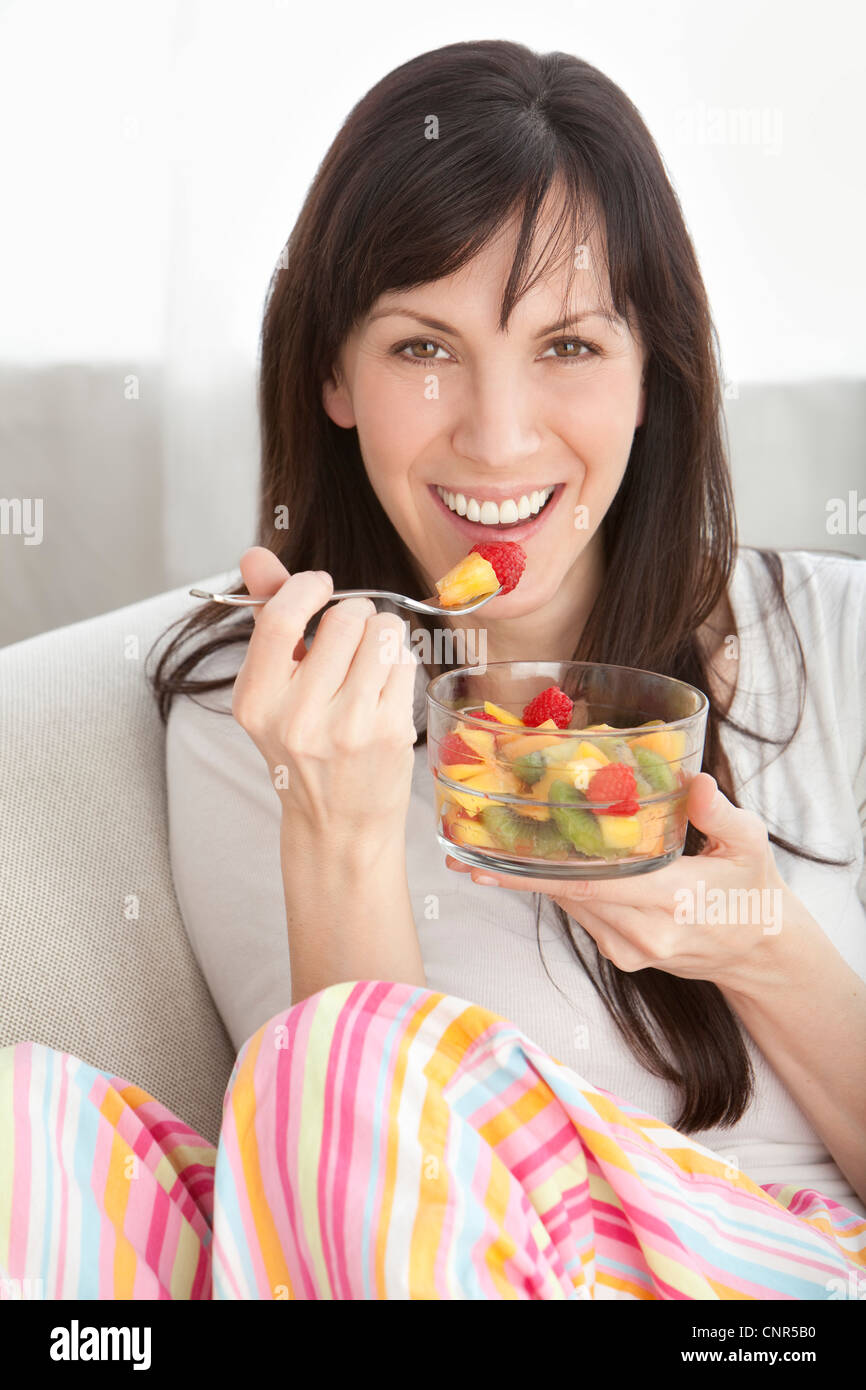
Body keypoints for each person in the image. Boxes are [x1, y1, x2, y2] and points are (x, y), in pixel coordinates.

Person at [2, 39, 864, 1300]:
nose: (497, 435)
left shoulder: (832, 634)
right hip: (453, 1256)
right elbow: (349, 1176)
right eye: (422, 348)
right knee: (32, 1127)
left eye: (567, 346)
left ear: (649, 375)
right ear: (332, 376)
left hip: (767, 1282)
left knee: (341, 1055)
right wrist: (338, 828)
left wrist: (750, 936)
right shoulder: (261, 708)